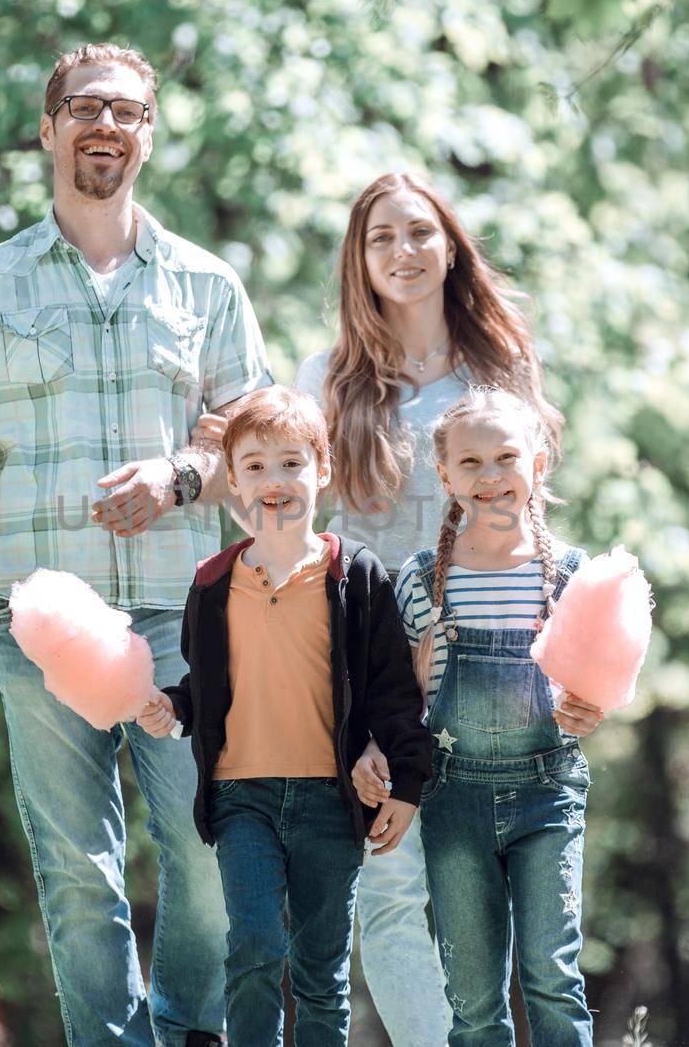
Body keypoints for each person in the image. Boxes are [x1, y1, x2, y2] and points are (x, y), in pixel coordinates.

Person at [0, 42, 272, 1046]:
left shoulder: (204, 286)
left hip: (185, 614)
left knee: (206, 845)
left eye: (129, 111)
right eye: (88, 107)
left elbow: (254, 444)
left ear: (148, 133)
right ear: (49, 127)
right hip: (37, 622)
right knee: (76, 870)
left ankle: (187, 1026)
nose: (109, 124)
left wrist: (178, 476)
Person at [293, 172, 603, 1044]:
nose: (403, 252)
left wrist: (574, 669)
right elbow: (303, 532)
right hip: (378, 666)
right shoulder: (328, 380)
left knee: (517, 914)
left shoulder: (501, 367)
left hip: (498, 663)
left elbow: (537, 530)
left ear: (451, 246)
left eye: (420, 232)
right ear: (358, 260)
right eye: (380, 238)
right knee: (390, 892)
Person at [136, 385, 433, 1046]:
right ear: (235, 485)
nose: (275, 480)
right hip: (243, 798)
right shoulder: (212, 584)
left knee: (322, 974)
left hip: (333, 801)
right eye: (256, 466)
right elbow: (204, 683)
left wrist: (406, 781)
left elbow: (390, 693)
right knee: (254, 948)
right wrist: (174, 709)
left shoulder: (355, 576)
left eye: (292, 462)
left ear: (322, 472)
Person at [398, 385, 598, 1046]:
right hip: (454, 798)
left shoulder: (573, 577)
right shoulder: (422, 579)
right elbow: (397, 703)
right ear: (446, 476)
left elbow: (597, 687)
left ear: (538, 466)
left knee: (551, 972)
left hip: (548, 793)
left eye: (505, 458)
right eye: (472, 463)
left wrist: (592, 708)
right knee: (476, 997)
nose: (490, 477)